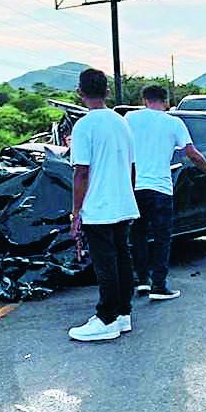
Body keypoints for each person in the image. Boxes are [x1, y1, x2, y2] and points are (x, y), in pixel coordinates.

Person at [126, 84, 206, 302]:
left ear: (145, 100)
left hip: (135, 188)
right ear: (166, 101)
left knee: (138, 235)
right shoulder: (174, 122)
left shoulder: (130, 119)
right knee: (162, 238)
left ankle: (142, 281)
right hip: (161, 188)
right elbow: (192, 154)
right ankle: (159, 286)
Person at [68, 69, 138, 342]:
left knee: (105, 263)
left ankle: (106, 317)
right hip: (122, 203)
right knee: (122, 258)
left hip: (99, 206)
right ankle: (123, 314)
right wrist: (126, 194)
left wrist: (76, 211)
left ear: (80, 93)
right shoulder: (122, 123)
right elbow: (132, 167)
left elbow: (81, 172)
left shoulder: (84, 126)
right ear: (107, 92)